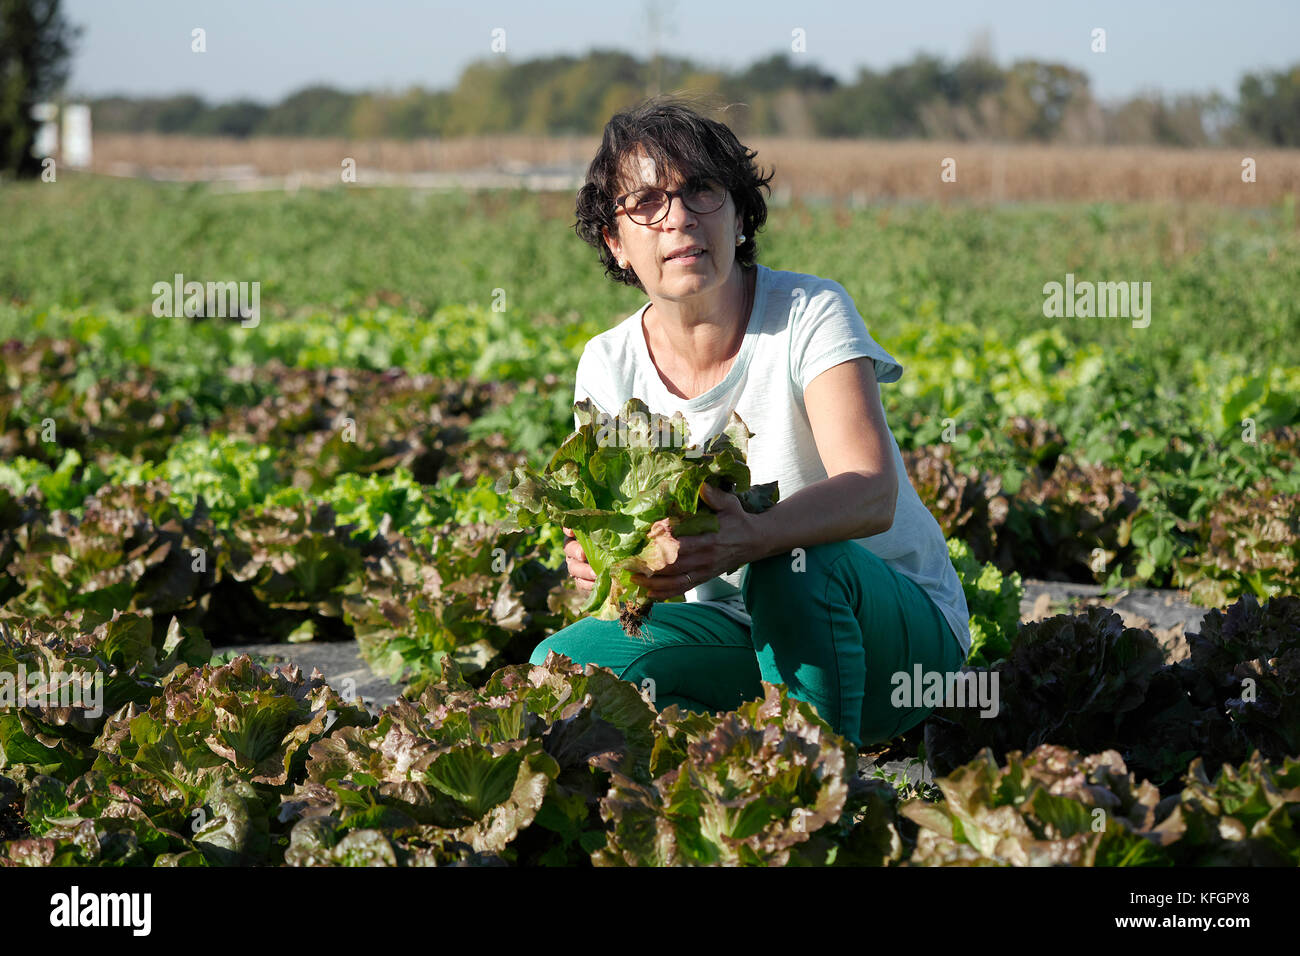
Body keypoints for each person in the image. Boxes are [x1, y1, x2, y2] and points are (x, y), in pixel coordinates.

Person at [527, 96, 970, 748]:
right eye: (647, 203)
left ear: (738, 218)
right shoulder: (608, 363)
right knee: (562, 669)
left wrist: (751, 535)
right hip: (741, 634)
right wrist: (609, 558)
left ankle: (814, 796)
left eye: (702, 191)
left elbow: (873, 490)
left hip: (893, 637)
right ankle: (720, 793)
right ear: (616, 244)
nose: (678, 219)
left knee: (792, 566)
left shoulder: (809, 312)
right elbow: (625, 534)